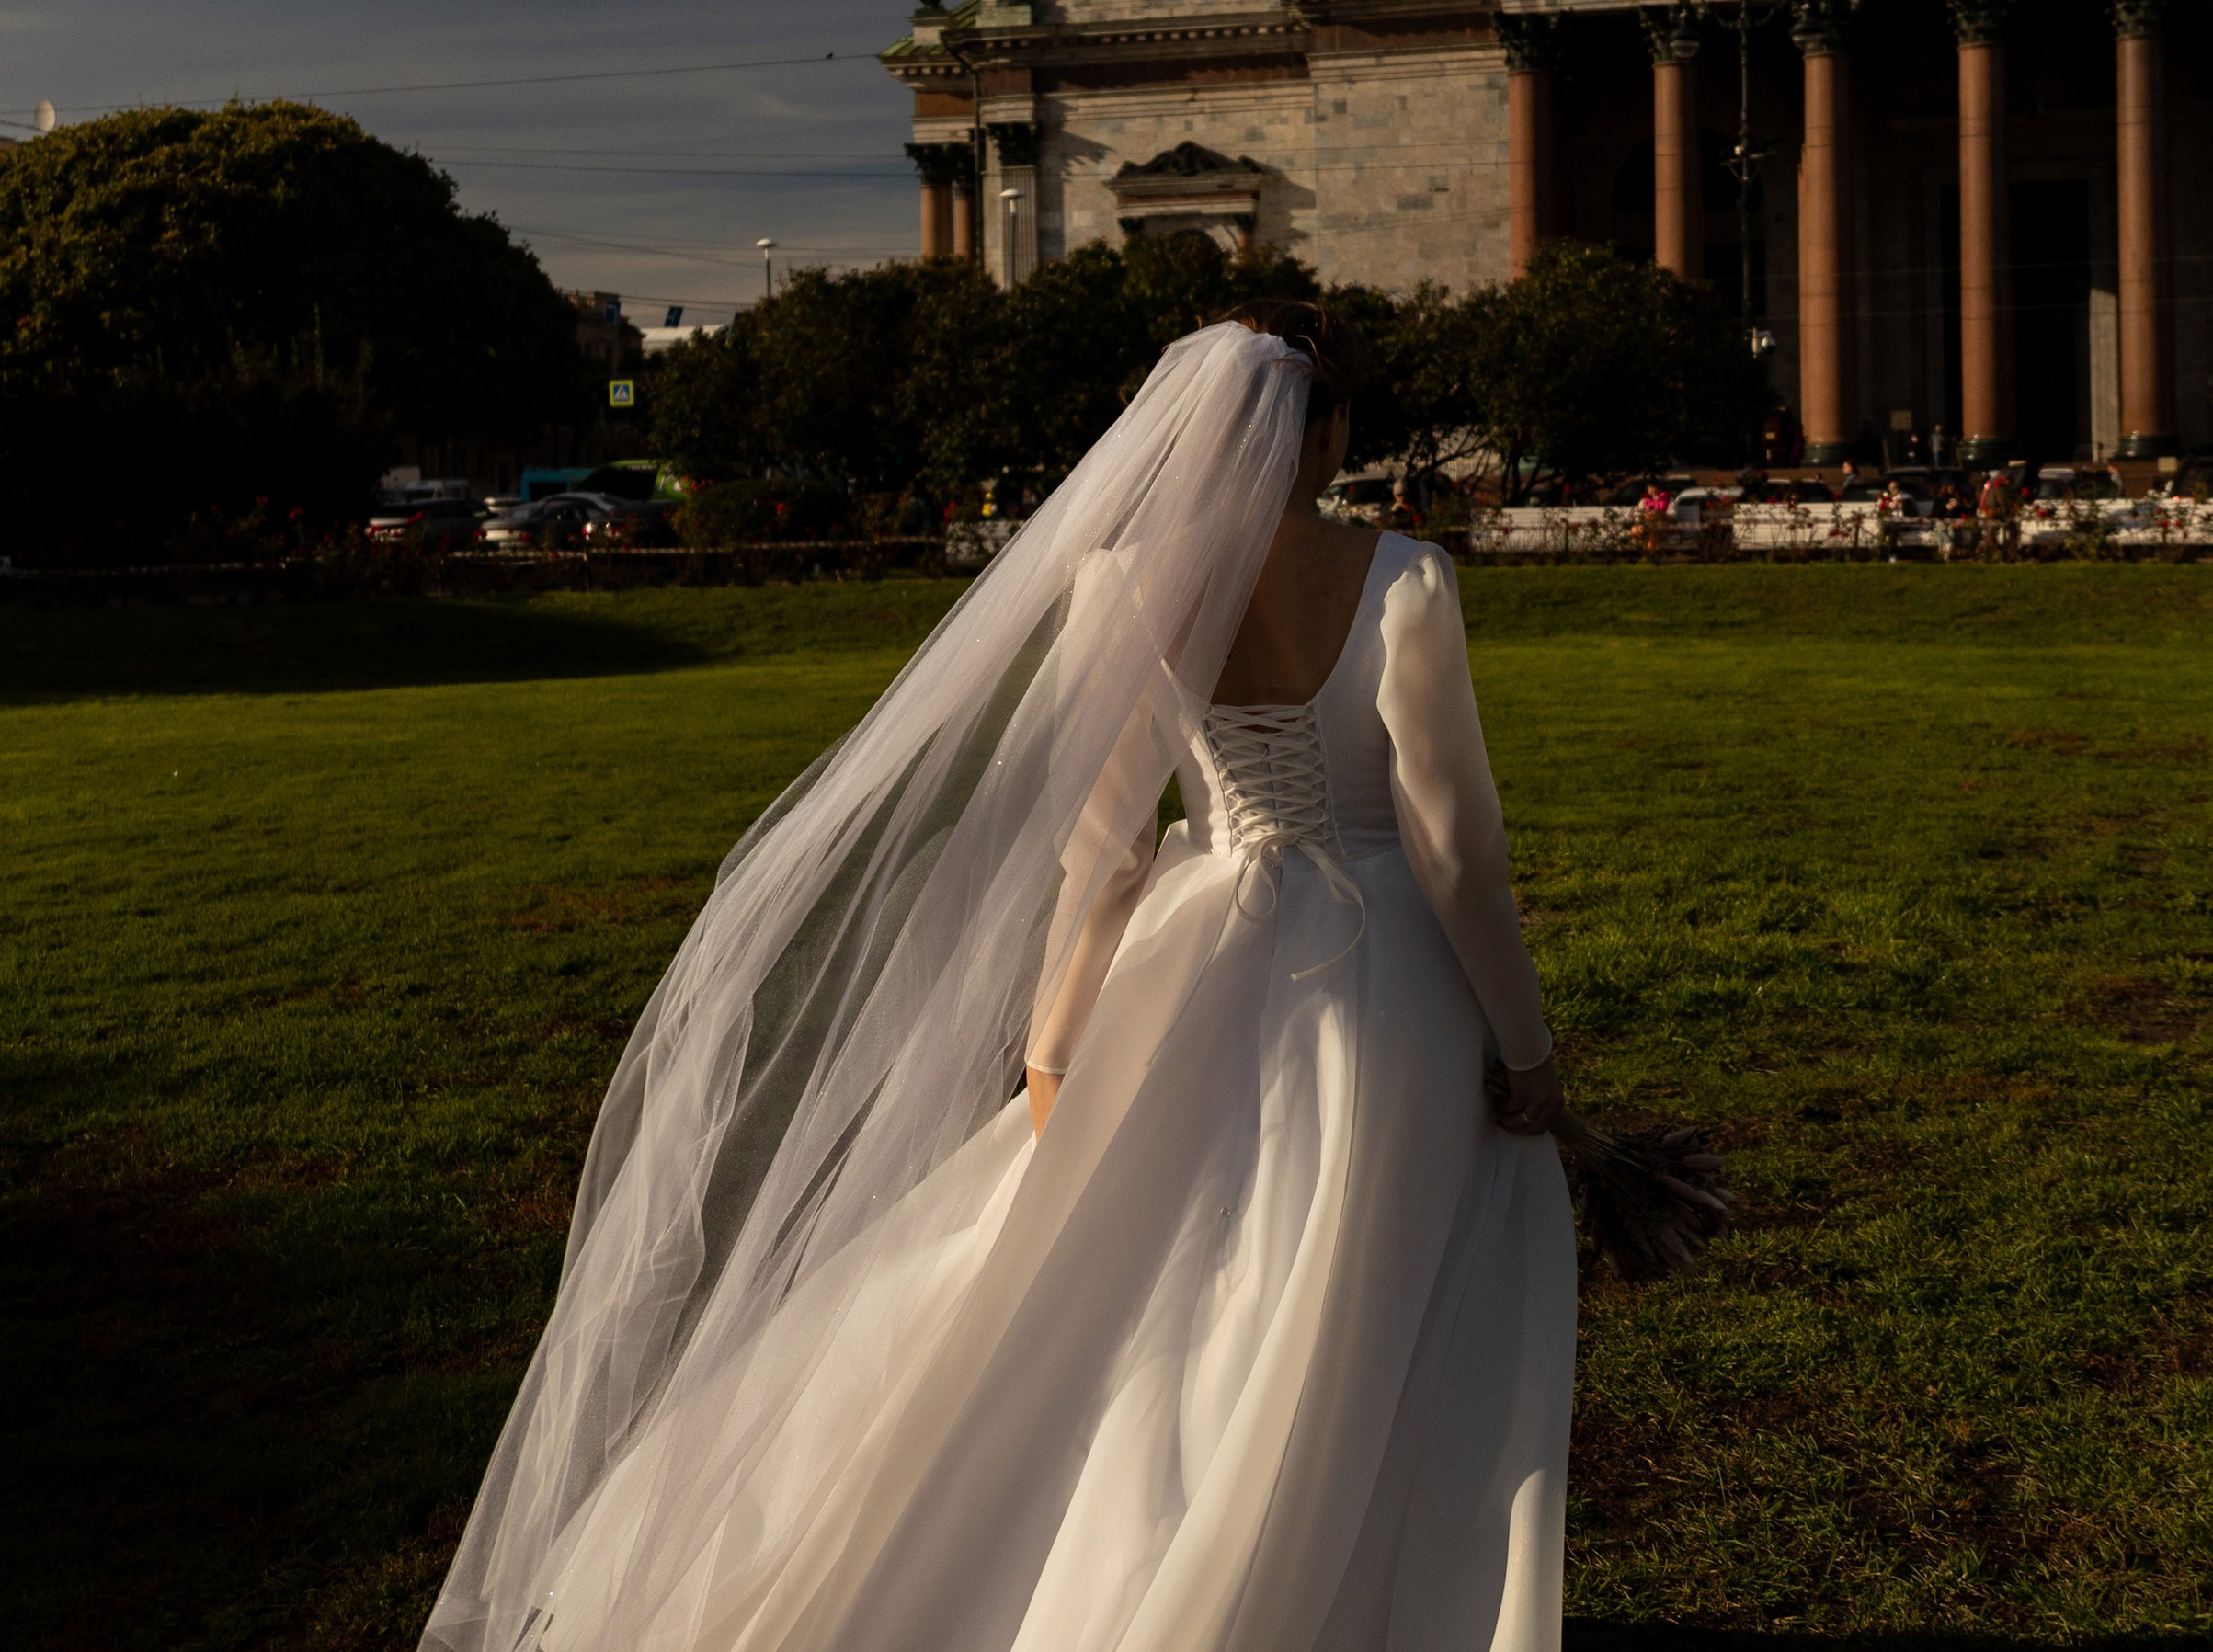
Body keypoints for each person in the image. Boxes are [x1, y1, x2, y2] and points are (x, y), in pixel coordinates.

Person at [426, 307, 1576, 1652]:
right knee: (1357, 1281)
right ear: (1328, 431)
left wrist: (1055, 1046)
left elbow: (1105, 852)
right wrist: (1525, 1040)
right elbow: (1452, 848)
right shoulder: (1404, 578)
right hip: (1378, 974)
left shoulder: (1127, 583)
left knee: (1158, 1283)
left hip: (1193, 943)